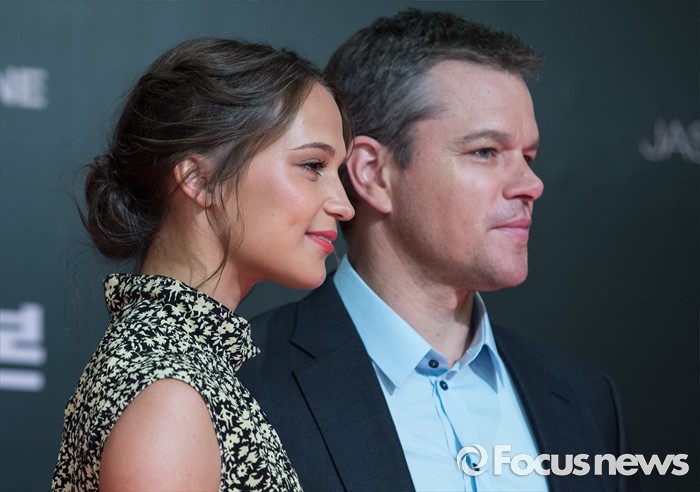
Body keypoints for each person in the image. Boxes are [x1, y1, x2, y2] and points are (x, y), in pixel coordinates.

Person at [237, 9, 639, 492]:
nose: (531, 184)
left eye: (528, 157)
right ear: (373, 173)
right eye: (485, 152)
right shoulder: (243, 386)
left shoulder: (585, 400)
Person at [52, 37, 354, 491]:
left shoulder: (182, 366)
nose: (343, 205)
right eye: (312, 165)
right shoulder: (168, 389)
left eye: (338, 172)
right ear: (199, 179)